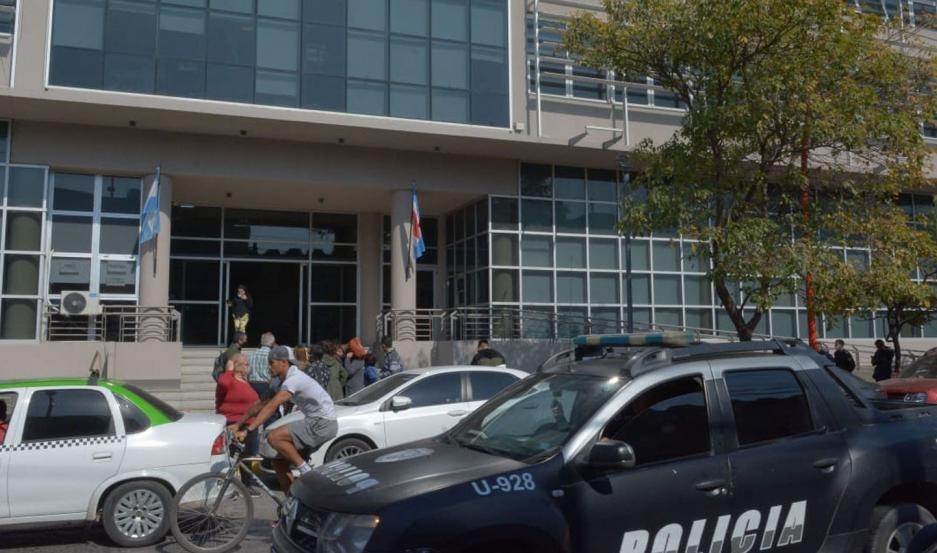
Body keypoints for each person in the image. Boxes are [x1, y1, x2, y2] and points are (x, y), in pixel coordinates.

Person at [233, 346, 337, 493]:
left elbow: (272, 406)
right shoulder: (279, 381)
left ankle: (306, 471)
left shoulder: (294, 379)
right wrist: (239, 424)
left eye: (272, 363)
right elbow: (261, 403)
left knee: (274, 437)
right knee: (278, 463)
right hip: (315, 421)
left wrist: (248, 430)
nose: (269, 367)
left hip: (322, 422)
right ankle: (291, 503)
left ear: (284, 362)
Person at [215, 353, 261, 496]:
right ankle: (228, 487)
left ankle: (246, 486)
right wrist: (229, 369)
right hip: (233, 423)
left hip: (249, 424)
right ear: (236, 365)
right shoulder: (228, 380)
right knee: (231, 457)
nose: (248, 366)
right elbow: (223, 382)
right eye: (245, 364)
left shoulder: (245, 380)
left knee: (248, 456)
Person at [248, 332, 276, 398]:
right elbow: (274, 373)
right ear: (272, 343)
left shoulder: (251, 354)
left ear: (261, 342)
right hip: (265, 385)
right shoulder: (272, 355)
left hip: (251, 385)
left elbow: (247, 371)